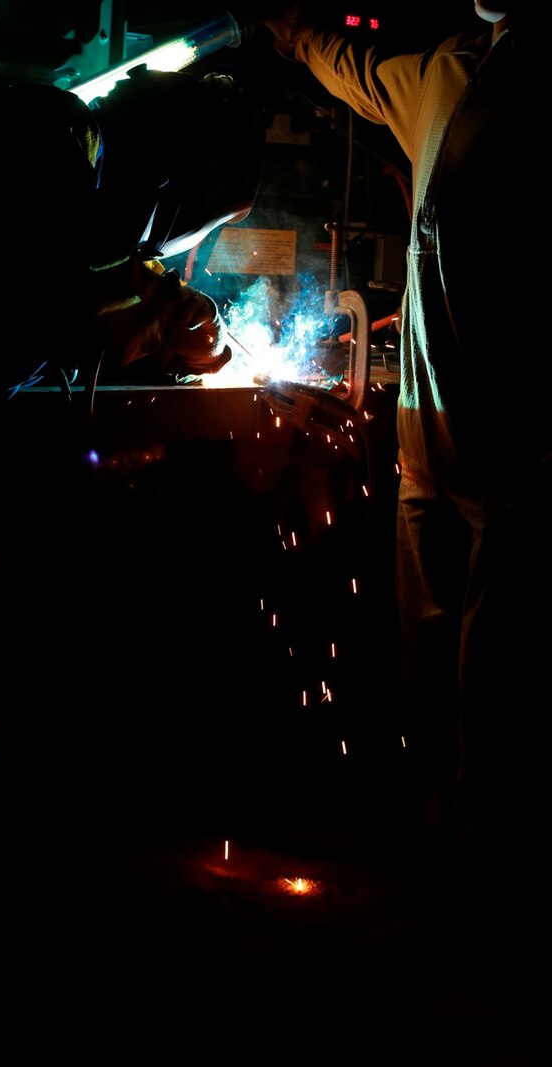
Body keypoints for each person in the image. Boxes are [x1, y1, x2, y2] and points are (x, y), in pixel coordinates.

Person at [0, 67, 263, 811]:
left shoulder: (75, 155)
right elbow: (98, 273)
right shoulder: (55, 142)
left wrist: (163, 303)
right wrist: (174, 314)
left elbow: (93, 270)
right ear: (167, 167)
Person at [230, 1, 549, 894]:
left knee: (492, 690)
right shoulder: (446, 73)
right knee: (428, 675)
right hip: (427, 450)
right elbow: (353, 68)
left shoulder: (530, 87)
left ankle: (487, 881)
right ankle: (440, 857)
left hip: (511, 460)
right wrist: (292, 34)